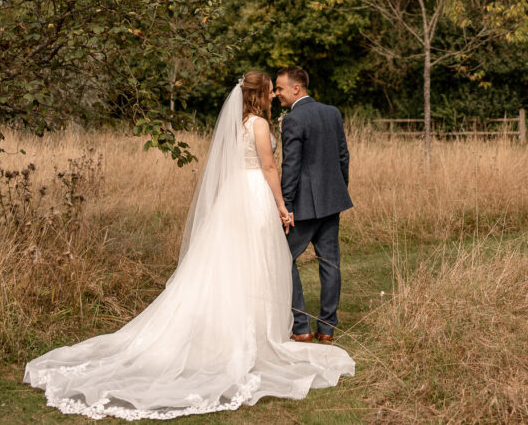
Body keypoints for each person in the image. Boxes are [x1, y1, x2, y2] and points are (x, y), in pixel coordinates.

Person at [24, 71, 354, 420]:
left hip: (237, 195)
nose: (275, 96)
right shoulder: (275, 123)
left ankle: (290, 328)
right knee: (273, 260)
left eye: (279, 90)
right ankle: (299, 330)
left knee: (242, 259)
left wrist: (283, 201)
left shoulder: (242, 124)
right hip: (266, 194)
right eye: (271, 91)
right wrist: (284, 203)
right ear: (260, 95)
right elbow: (272, 165)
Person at [274, 66, 352, 343]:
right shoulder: (333, 112)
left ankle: (301, 327)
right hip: (333, 201)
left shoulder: (294, 119)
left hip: (303, 207)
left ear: (297, 88)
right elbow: (344, 156)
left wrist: (287, 206)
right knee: (330, 263)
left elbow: (291, 166)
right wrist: (339, 189)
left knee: (283, 259)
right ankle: (327, 329)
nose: (276, 94)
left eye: (280, 88)